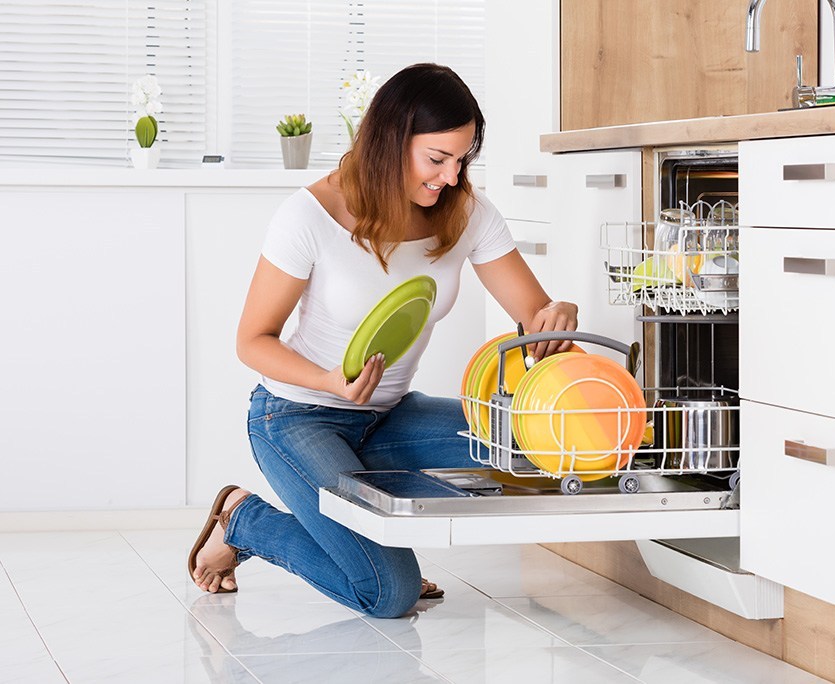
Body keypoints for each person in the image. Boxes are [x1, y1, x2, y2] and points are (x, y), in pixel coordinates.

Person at [186, 63, 578, 618]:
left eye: (462, 159)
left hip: (389, 418)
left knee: (533, 440)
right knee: (388, 594)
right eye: (437, 159)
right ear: (390, 141)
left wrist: (555, 315)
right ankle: (245, 520)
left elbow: (534, 315)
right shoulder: (310, 216)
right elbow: (252, 341)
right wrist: (329, 381)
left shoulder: (467, 213)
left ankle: (361, 533)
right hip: (298, 417)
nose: (450, 176)